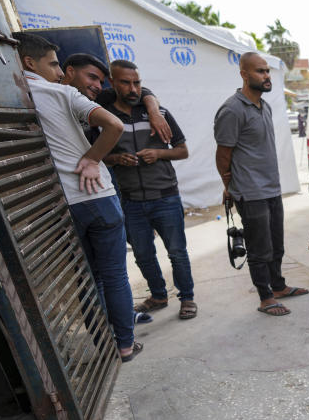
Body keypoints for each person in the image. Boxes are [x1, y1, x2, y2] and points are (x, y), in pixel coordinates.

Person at [14, 32, 141, 361]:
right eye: (54, 64)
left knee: (88, 279)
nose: (59, 71)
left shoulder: (12, 96)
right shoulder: (61, 93)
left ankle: (105, 347)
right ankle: (125, 344)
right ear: (30, 62)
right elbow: (114, 125)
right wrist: (91, 159)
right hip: (97, 197)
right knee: (113, 274)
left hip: (62, 205)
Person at [96, 59, 197, 321]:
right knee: (142, 254)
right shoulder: (104, 117)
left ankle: (187, 298)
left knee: (177, 251)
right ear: (112, 83)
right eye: (126, 83)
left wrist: (158, 153)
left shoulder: (158, 112)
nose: (133, 88)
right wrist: (118, 159)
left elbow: (183, 150)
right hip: (130, 201)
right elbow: (94, 155)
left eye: (137, 82)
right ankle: (158, 295)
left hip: (166, 196)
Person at [214, 52, 309, 316]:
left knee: (276, 244)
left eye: (267, 71)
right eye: (260, 71)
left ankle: (278, 286)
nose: (266, 76)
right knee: (259, 247)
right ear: (244, 74)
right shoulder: (232, 110)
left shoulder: (264, 106)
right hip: (250, 191)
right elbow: (223, 155)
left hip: (271, 188)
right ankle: (265, 297)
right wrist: (229, 186)